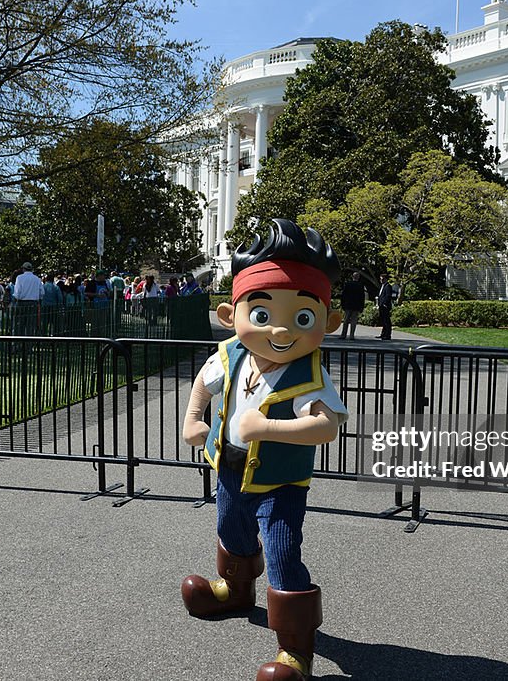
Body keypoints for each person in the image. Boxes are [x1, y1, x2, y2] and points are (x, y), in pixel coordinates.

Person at [180, 219, 346, 681]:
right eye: (261, 314)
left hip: (281, 481)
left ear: (327, 323)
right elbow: (205, 383)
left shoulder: (308, 374)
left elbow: (326, 426)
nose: (280, 329)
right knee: (231, 529)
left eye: (303, 317)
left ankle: (296, 649)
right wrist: (195, 417)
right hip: (230, 467)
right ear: (229, 314)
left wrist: (268, 425)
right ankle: (233, 591)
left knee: (281, 551)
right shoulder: (231, 352)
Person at [12, 262, 43, 335]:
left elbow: (17, 292)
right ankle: (29, 344)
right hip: (33, 304)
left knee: (19, 325)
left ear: (23, 269)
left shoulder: (19, 278)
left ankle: (19, 343)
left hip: (21, 303)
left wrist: (17, 298)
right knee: (31, 325)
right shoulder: (37, 279)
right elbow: (42, 292)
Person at [376, 272, 395, 341]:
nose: (381, 280)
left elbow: (388, 296)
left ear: (386, 279)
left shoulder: (388, 286)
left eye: (382, 279)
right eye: (381, 279)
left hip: (385, 306)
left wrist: (384, 303)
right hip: (381, 306)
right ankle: (383, 334)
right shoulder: (383, 286)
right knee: (383, 320)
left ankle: (387, 334)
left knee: (387, 321)